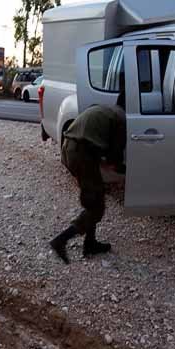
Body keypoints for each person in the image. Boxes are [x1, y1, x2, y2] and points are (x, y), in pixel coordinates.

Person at [50, 95, 126, 264]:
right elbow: (113, 161)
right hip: (81, 155)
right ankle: (61, 240)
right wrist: (129, 171)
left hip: (68, 148)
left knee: (94, 198)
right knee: (97, 208)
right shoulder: (121, 120)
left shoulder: (106, 110)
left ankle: (90, 243)